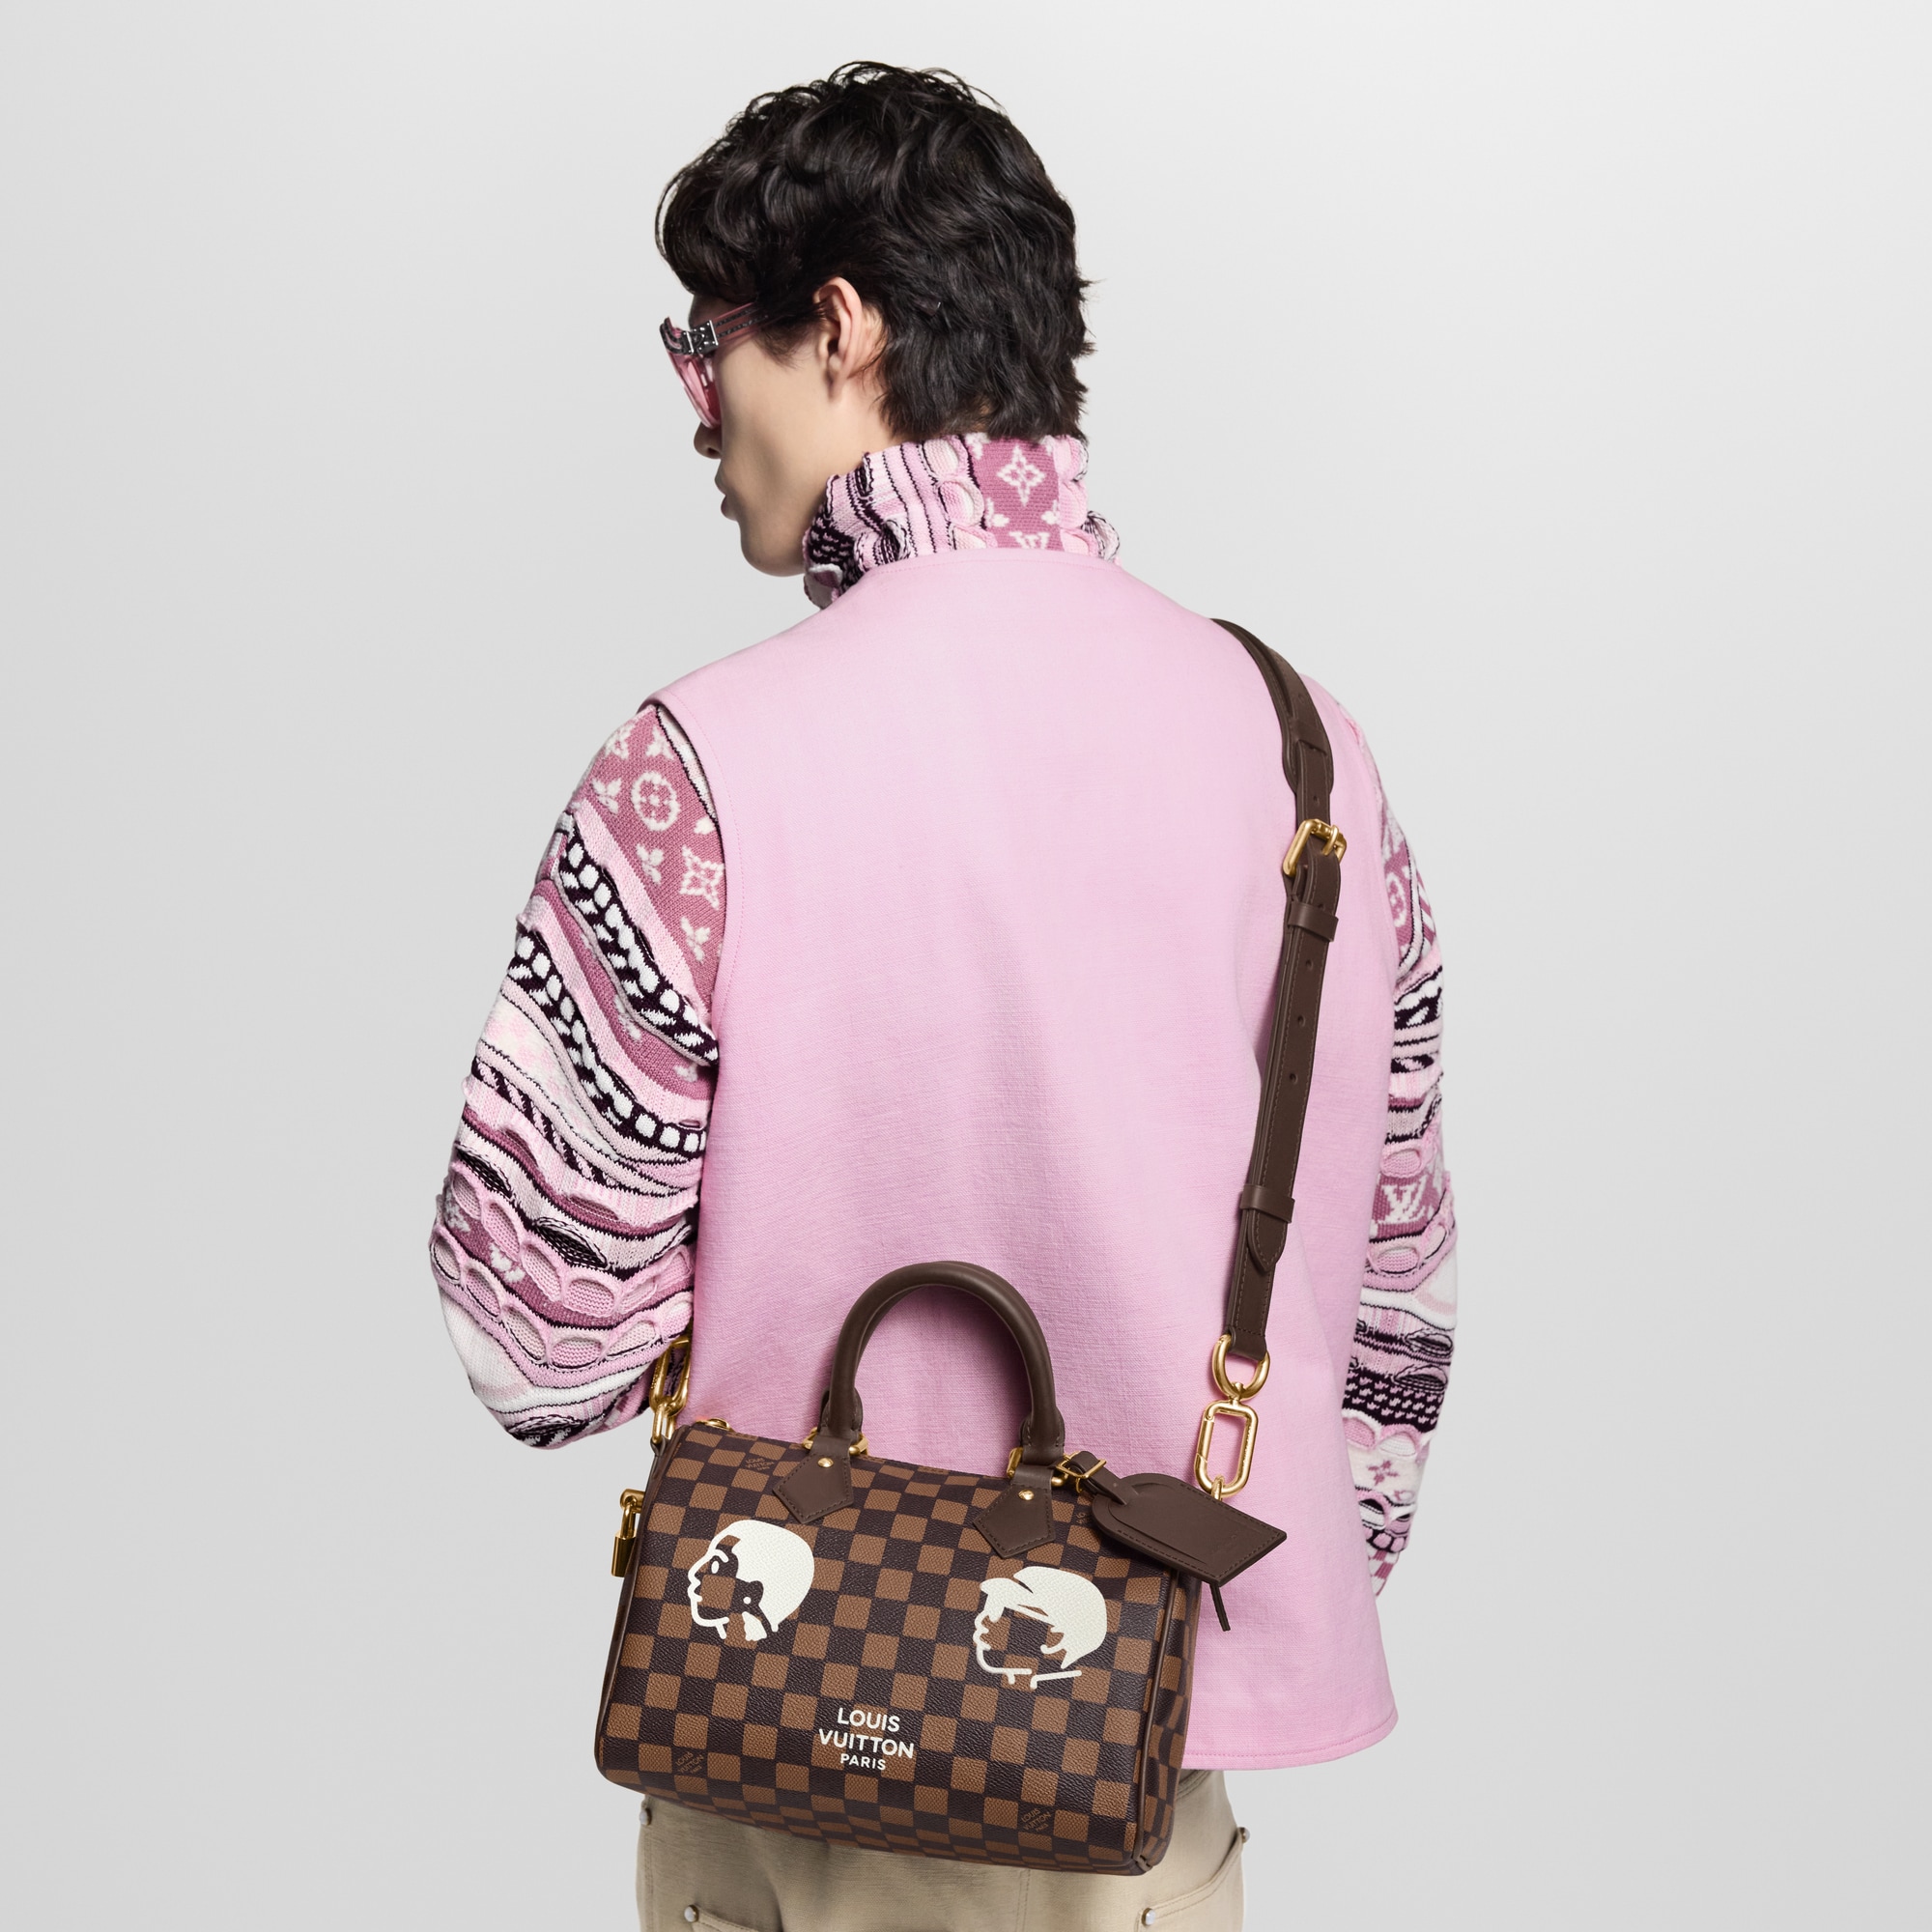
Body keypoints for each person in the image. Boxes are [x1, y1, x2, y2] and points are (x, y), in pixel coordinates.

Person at [428, 62, 1458, 1932]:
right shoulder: (1310, 755)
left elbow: (536, 1337)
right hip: (1136, 1782)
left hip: (789, 1744)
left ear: (838, 329)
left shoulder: (692, 770)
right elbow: (1389, 1299)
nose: (696, 418)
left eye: (708, 347)